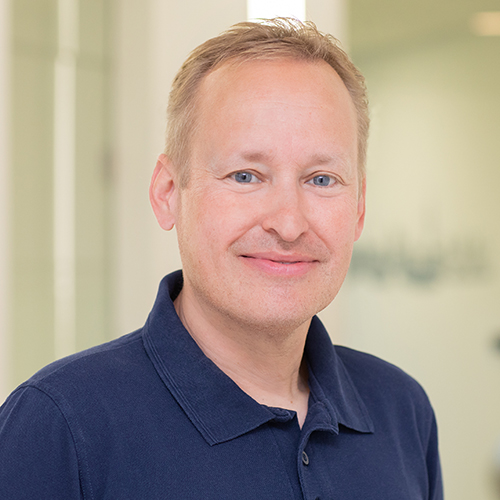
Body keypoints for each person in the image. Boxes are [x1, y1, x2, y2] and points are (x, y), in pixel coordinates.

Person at [0, 18, 443, 499]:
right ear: (169, 192)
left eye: (321, 179)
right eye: (245, 176)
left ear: (358, 209)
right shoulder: (60, 427)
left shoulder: (401, 411)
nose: (288, 224)